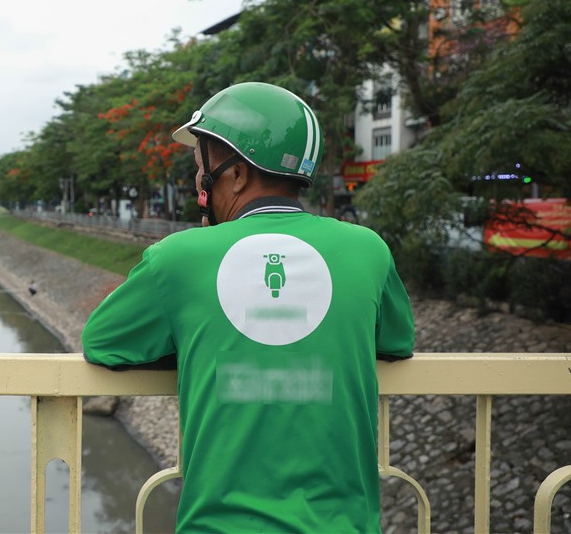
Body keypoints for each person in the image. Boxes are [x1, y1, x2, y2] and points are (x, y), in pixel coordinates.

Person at [81, 82, 415, 533]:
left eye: (204, 173)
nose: (200, 186)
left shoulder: (177, 257)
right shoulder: (367, 250)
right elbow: (396, 341)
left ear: (236, 175)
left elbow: (102, 342)